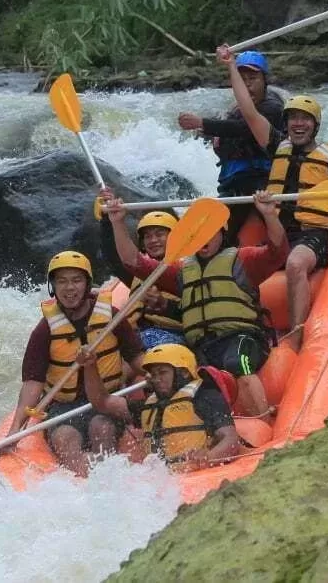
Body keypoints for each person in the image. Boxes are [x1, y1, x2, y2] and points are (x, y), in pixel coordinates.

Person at [218, 45, 328, 351]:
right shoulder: (277, 145)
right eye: (293, 118)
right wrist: (231, 66)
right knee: (234, 267)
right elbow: (248, 111)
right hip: (278, 231)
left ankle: (297, 336)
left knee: (296, 264)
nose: (298, 123)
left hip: (313, 235)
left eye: (305, 119)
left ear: (315, 126)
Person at [106, 191, 288, 418]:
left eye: (210, 232)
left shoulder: (243, 260)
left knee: (236, 362)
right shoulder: (182, 271)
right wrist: (118, 223)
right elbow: (133, 261)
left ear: (222, 233)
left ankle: (261, 420)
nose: (204, 238)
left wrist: (269, 214)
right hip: (201, 346)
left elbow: (278, 252)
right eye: (198, 233)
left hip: (241, 337)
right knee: (183, 379)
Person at [4, 250, 145, 476]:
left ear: (87, 284)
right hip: (62, 407)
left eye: (76, 280)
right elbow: (33, 384)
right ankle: (85, 481)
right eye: (62, 281)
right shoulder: (45, 330)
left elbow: (137, 359)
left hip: (105, 400)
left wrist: (160, 378)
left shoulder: (112, 316)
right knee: (64, 437)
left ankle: (103, 481)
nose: (69, 288)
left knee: (102, 428)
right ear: (53, 287)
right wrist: (14, 430)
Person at [177, 50, 286, 243]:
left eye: (253, 78)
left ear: (265, 80)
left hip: (262, 184)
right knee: (214, 236)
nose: (247, 84)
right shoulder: (233, 110)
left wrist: (203, 123)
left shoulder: (273, 106)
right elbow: (228, 138)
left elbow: (246, 128)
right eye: (242, 79)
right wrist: (210, 135)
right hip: (233, 185)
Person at [81, 343, 240, 471]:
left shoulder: (205, 397)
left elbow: (230, 440)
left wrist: (208, 457)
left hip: (198, 474)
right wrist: (90, 367)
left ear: (184, 373)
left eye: (162, 373)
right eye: (153, 374)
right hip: (162, 479)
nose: (156, 379)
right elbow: (101, 401)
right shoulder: (148, 405)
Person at [97, 193, 185, 349]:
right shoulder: (137, 272)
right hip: (137, 333)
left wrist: (164, 304)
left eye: (159, 234)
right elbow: (113, 256)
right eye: (148, 236)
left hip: (172, 334)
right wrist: (107, 219)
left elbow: (196, 312)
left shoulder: (188, 268)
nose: (153, 240)